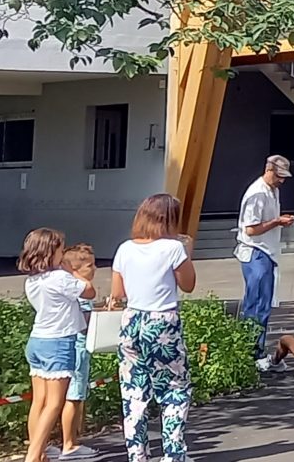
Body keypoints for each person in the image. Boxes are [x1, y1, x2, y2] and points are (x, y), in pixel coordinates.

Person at [111, 194, 198, 462]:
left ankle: (137, 455)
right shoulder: (173, 248)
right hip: (162, 323)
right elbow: (188, 284)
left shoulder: (125, 249)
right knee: (174, 388)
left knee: (134, 392)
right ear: (170, 219)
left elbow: (118, 292)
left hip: (132, 320)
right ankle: (173, 454)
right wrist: (187, 252)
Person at [19, 227, 96, 462]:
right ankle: (33, 456)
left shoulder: (32, 280)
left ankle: (38, 451)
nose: (63, 255)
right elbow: (89, 291)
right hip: (59, 342)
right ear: (51, 252)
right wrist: (72, 272)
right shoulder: (61, 278)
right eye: (61, 251)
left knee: (39, 401)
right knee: (54, 403)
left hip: (37, 339)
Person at [239, 155, 294, 366]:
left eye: (284, 177)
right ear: (268, 169)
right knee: (256, 304)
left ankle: (256, 350)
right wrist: (276, 222)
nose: (282, 180)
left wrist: (279, 221)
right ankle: (252, 353)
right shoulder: (257, 193)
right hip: (255, 251)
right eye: (279, 175)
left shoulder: (273, 190)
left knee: (263, 303)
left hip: (266, 252)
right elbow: (250, 229)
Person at [58, 243, 99, 460]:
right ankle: (69, 443)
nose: (95, 269)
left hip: (71, 347)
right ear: (75, 270)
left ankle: (70, 440)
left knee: (71, 396)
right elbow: (85, 323)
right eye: (90, 265)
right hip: (78, 349)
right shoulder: (81, 294)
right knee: (74, 396)